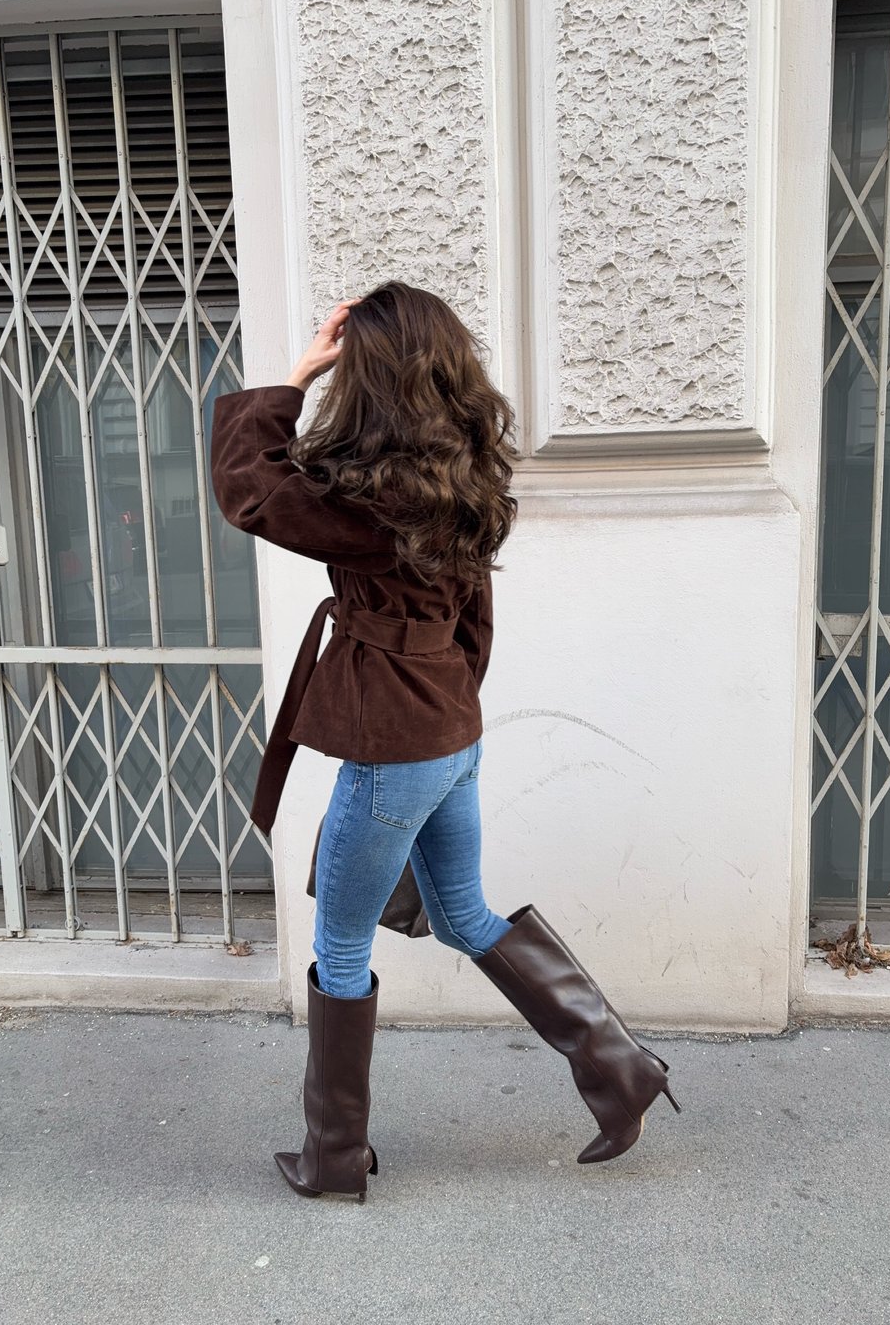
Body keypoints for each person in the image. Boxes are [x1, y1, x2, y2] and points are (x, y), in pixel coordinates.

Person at [210, 281, 680, 1204]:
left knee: (341, 943)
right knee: (464, 916)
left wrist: (298, 374)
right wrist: (451, 714)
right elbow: (476, 629)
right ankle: (621, 1069)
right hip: (452, 733)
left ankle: (335, 1158)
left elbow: (249, 488)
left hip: (399, 748)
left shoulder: (365, 502)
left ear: (371, 380)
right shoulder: (468, 480)